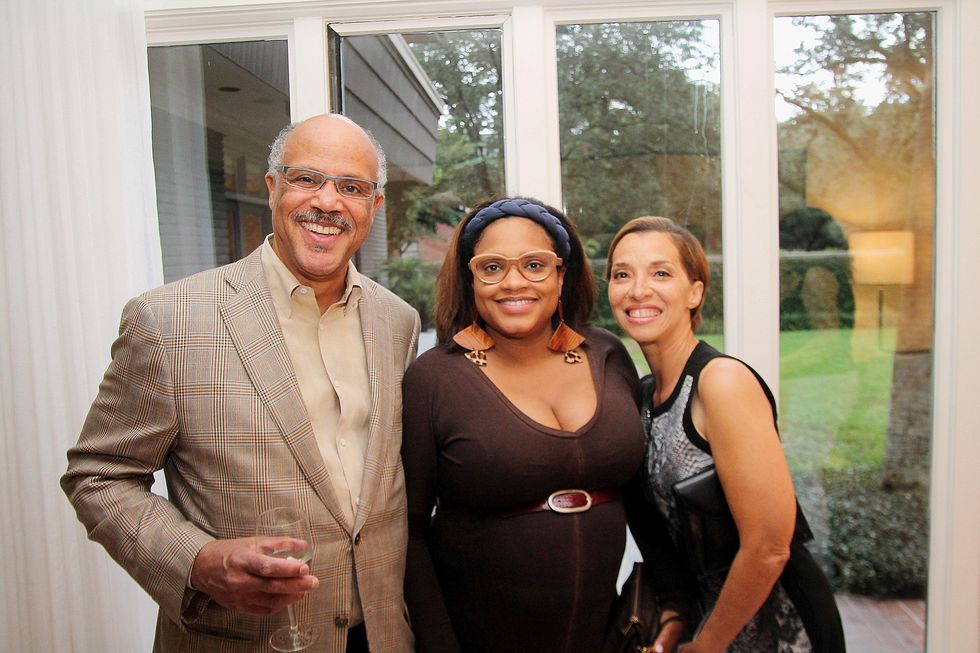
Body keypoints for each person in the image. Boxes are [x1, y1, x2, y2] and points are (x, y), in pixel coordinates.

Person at [61, 114, 420, 653]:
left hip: (384, 635)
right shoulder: (169, 320)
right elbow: (99, 476)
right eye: (306, 179)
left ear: (375, 206)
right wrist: (198, 561)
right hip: (242, 637)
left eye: (352, 187)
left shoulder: (398, 322)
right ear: (273, 187)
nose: (328, 202)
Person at [400, 198, 689, 653]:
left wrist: (676, 599)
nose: (514, 282)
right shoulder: (434, 378)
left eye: (534, 265)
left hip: (601, 636)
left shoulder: (607, 354)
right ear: (471, 279)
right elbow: (410, 531)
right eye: (492, 267)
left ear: (561, 275)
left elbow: (637, 495)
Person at [606, 216, 846, 653]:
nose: (638, 289)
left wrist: (709, 645)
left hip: (780, 630)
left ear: (695, 291)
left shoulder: (721, 383)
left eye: (660, 273)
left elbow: (770, 546)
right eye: (622, 274)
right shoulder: (642, 397)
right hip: (708, 621)